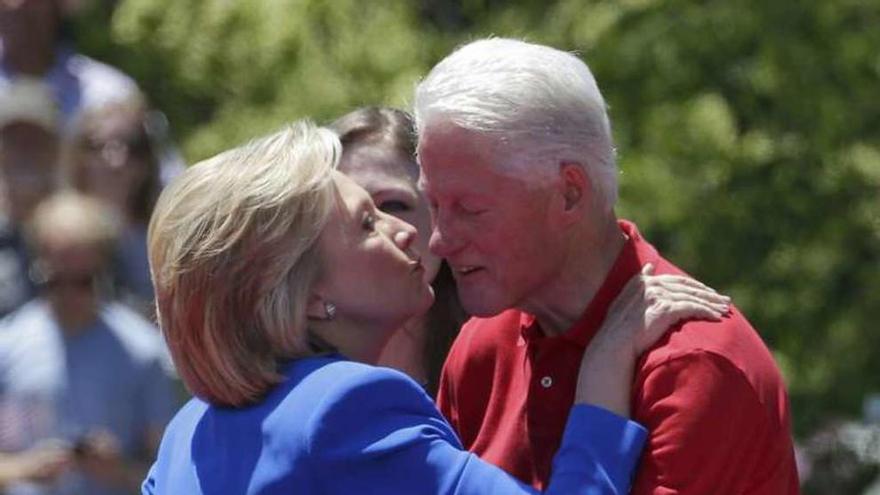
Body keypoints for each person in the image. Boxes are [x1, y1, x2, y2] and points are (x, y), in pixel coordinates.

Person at [142, 120, 729, 494]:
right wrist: (603, 368)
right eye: (367, 222)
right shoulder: (347, 408)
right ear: (306, 292)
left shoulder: (188, 430)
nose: (408, 232)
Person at [413, 37, 799, 494]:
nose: (440, 240)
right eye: (434, 206)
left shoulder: (693, 364)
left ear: (570, 192)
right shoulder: (485, 346)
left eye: (470, 209)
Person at [0, 192, 177, 495]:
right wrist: (25, 468)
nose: (68, 294)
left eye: (82, 282)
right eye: (54, 280)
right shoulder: (7, 344)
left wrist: (115, 469)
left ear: (104, 272)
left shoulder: (143, 350)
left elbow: (172, 472)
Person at [328, 106, 465, 395]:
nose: (381, 229)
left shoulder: (503, 353)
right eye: (346, 213)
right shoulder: (278, 378)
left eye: (393, 204)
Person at [64, 94, 164, 317]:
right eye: (101, 147)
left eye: (133, 147)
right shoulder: (52, 234)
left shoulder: (166, 238)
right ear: (79, 157)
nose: (118, 161)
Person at [0, 78, 60, 317]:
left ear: (56, 150)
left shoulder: (83, 233)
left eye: (37, 140)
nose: (25, 150)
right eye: (13, 140)